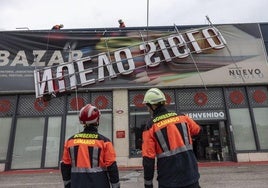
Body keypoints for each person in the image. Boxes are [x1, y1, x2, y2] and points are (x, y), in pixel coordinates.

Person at [142, 88, 202, 188]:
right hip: (191, 176)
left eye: (147, 106)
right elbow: (199, 131)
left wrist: (148, 184)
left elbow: (148, 160)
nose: (147, 109)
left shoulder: (150, 127)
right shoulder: (182, 117)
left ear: (152, 105)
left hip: (168, 180)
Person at [60, 104, 120, 188]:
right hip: (100, 184)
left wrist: (67, 185)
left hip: (77, 184)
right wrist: (116, 186)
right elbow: (112, 167)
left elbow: (65, 166)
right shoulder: (104, 142)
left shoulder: (70, 141)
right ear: (97, 120)